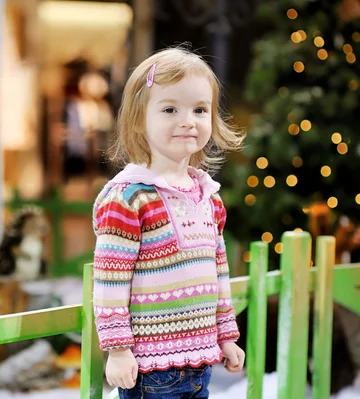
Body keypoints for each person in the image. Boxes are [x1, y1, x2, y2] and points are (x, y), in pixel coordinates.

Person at [91, 46, 246, 399]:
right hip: (150, 369)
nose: (188, 120)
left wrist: (226, 335)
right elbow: (110, 279)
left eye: (199, 110)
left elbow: (218, 272)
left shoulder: (208, 197)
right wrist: (117, 349)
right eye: (170, 109)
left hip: (200, 363)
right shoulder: (129, 198)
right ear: (138, 120)